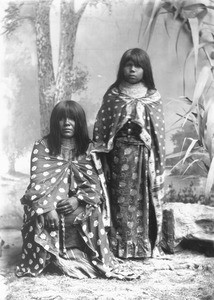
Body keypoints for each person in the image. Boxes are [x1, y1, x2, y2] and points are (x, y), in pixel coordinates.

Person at [16, 100, 129, 279]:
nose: (67, 123)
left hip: (75, 205)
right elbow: (37, 185)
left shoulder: (89, 149)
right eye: (62, 119)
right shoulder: (42, 146)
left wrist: (77, 199)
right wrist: (47, 208)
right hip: (49, 207)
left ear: (80, 123)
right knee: (37, 213)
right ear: (55, 122)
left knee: (92, 211)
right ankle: (52, 257)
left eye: (73, 119)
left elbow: (95, 187)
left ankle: (79, 254)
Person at [93, 48, 165, 259]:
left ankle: (141, 247)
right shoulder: (114, 95)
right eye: (128, 64)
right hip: (117, 156)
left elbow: (157, 133)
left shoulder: (153, 97)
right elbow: (102, 127)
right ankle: (118, 247)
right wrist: (104, 156)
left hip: (143, 156)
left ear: (146, 69)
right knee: (120, 200)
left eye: (138, 65)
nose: (132, 69)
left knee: (141, 199)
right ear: (122, 67)